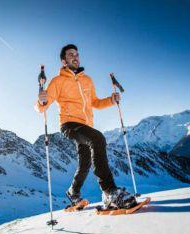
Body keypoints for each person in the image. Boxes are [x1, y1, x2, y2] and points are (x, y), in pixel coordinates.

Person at [35, 44, 136, 209]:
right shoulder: (58, 81)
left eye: (76, 54)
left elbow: (94, 102)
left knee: (85, 162)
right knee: (98, 138)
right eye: (70, 55)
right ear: (63, 61)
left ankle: (73, 192)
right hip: (69, 124)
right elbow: (43, 105)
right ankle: (109, 191)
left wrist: (111, 100)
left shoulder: (87, 79)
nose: (75, 57)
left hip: (86, 125)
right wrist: (41, 100)